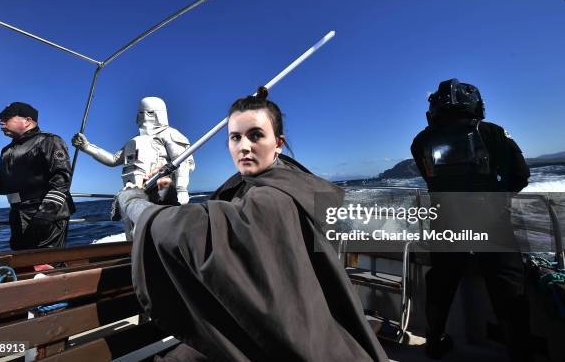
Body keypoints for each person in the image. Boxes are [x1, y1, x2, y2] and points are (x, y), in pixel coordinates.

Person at [116, 87, 388, 361]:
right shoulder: (278, 184)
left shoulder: (272, 197)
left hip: (284, 338)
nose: (244, 146)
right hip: (269, 320)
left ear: (278, 143)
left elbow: (198, 233)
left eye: (256, 135)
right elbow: (217, 230)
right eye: (235, 137)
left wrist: (133, 203)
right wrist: (168, 198)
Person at [410, 79, 531, 361]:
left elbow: (431, 179)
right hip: (492, 220)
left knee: (441, 281)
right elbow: (521, 175)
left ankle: (434, 343)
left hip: (446, 222)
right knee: (507, 285)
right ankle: (520, 352)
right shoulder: (495, 132)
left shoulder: (420, 141)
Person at [0, 102, 74, 250]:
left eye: (7, 117)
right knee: (22, 264)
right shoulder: (6, 151)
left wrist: (45, 216)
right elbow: (0, 184)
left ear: (28, 121)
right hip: (18, 217)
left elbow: (61, 179)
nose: (1, 122)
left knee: (46, 266)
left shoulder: (49, 141)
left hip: (47, 217)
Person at [72, 96, 195, 205]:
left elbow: (182, 162)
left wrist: (181, 188)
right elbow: (113, 160)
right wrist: (87, 147)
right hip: (136, 194)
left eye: (150, 113)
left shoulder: (170, 134)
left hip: (164, 193)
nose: (145, 116)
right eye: (141, 112)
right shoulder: (134, 141)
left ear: (160, 114)